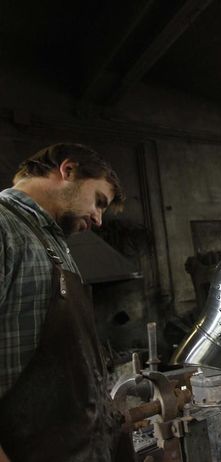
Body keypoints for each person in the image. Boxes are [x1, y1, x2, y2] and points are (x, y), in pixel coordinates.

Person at [0, 143, 132, 461]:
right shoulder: (5, 228)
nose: (99, 219)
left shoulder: (53, 243)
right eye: (99, 201)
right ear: (68, 171)